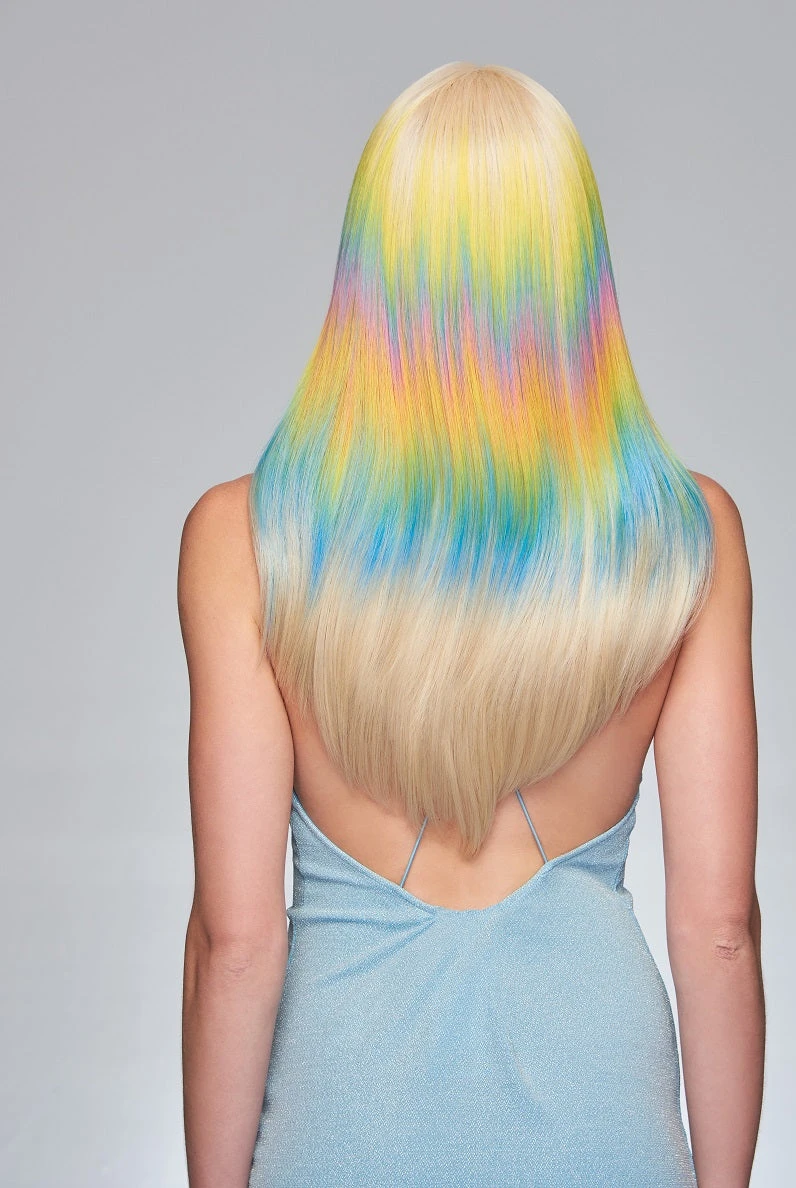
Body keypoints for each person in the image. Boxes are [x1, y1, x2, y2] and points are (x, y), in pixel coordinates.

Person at [178, 61, 764, 1188]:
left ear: (372, 264)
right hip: (602, 1129)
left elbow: (236, 944)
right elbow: (719, 929)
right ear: (574, 267)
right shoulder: (687, 536)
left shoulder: (242, 541)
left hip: (345, 1131)